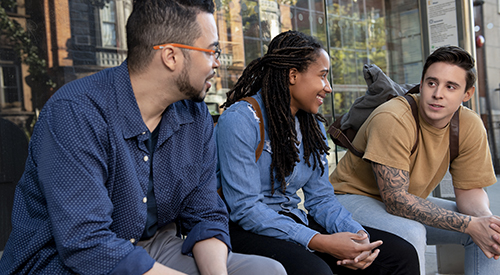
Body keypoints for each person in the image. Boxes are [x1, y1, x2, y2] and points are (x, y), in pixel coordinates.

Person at [0, 1, 286, 274]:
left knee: (267, 270)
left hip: (152, 245)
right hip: (63, 261)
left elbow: (205, 214)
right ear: (171, 56)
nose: (216, 63)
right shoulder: (76, 112)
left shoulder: (195, 115)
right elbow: (85, 243)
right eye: (211, 51)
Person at [216, 30, 420, 275]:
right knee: (317, 270)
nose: (329, 88)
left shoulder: (311, 126)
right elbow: (246, 208)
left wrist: (359, 237)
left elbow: (321, 199)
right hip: (244, 229)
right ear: (293, 75)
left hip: (293, 219)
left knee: (400, 255)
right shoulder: (240, 120)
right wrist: (319, 241)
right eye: (322, 76)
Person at [330, 45, 500, 275]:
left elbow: (469, 190)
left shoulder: (469, 125)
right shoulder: (394, 117)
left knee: (490, 234)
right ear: (421, 84)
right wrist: (469, 224)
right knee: (412, 232)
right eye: (432, 83)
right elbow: (396, 200)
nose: (438, 93)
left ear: (466, 94)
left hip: (402, 202)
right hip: (350, 199)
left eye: (451, 87)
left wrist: (485, 222)